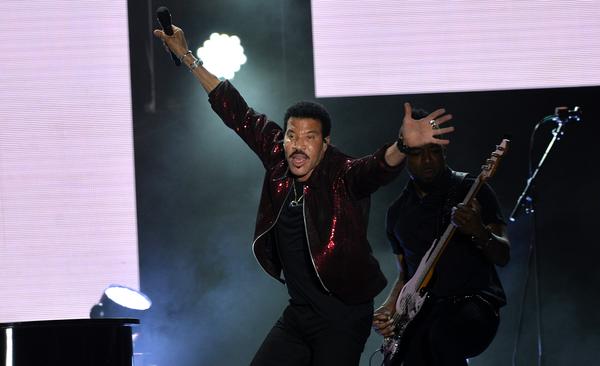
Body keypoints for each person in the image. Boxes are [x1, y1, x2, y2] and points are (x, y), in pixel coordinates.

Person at [153, 26, 454, 366]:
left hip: (343, 316)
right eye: (292, 135)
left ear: (325, 144)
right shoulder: (278, 157)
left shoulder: (341, 173)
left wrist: (401, 146)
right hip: (300, 314)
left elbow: (375, 168)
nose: (298, 143)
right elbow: (236, 111)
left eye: (310, 137)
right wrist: (188, 57)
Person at [372, 109, 510, 366]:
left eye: (434, 151)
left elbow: (503, 255)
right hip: (422, 315)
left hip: (474, 306)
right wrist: (390, 308)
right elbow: (406, 275)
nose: (427, 160)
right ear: (405, 156)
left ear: (444, 152)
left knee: (440, 336)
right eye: (418, 153)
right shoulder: (397, 212)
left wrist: (479, 230)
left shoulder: (470, 188)